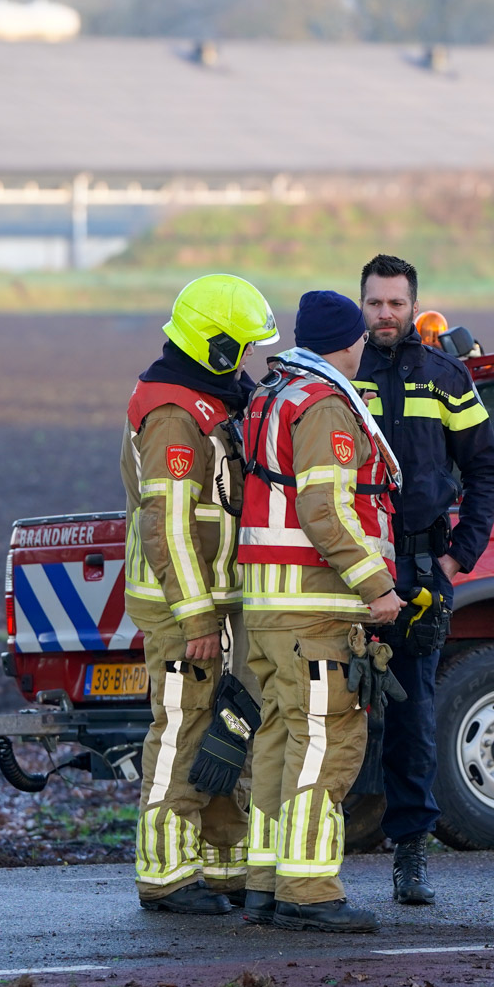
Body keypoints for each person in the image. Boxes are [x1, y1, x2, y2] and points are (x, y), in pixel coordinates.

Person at [237, 290, 405, 933]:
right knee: (326, 745)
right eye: (361, 335)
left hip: (272, 610)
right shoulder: (325, 404)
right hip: (313, 610)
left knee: (279, 743)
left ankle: (265, 880)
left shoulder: (277, 394)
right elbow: (324, 510)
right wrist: (377, 586)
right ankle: (308, 890)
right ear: (348, 340)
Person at [121, 274, 278, 915]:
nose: (249, 357)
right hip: (184, 607)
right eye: (242, 345)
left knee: (226, 728)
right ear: (214, 345)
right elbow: (168, 526)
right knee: (182, 728)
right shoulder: (174, 417)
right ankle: (165, 873)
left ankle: (221, 863)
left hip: (217, 601)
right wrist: (196, 618)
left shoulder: (213, 401)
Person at [354, 254, 494, 904]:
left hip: (419, 569)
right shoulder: (343, 373)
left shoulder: (446, 377)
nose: (385, 314)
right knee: (323, 712)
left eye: (395, 303)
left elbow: (485, 470)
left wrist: (457, 556)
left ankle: (410, 852)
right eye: (375, 303)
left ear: (413, 306)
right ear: (361, 306)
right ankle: (306, 856)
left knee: (413, 716)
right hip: (346, 569)